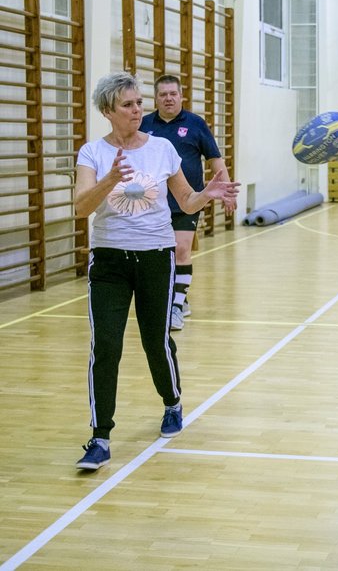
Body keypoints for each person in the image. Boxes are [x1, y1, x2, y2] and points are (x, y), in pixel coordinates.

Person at [74, 72, 239, 470]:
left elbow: (185, 198)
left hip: (155, 256)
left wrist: (208, 195)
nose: (138, 110)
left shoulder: (163, 148)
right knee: (106, 346)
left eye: (138, 102)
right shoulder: (92, 153)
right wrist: (110, 179)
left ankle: (172, 402)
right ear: (108, 111)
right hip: (110, 261)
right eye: (128, 105)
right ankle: (100, 436)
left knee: (156, 341)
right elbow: (81, 207)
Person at [140, 74, 234, 331]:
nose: (168, 98)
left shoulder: (195, 124)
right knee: (161, 256)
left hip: (187, 200)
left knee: (182, 250)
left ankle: (176, 307)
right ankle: (177, 295)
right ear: (156, 98)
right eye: (163, 94)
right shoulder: (144, 124)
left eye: (173, 94)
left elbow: (215, 160)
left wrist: (226, 191)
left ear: (181, 96)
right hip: (153, 203)